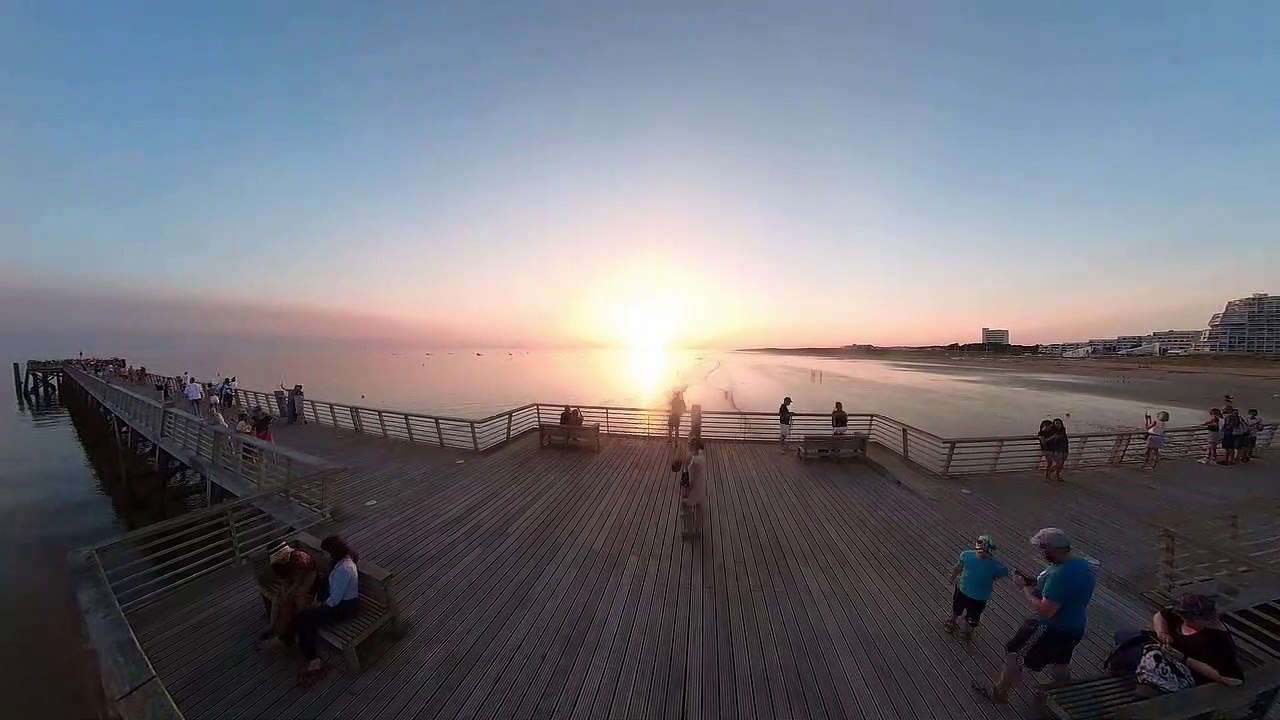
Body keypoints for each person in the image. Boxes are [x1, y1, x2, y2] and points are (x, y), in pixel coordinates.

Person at [974, 528, 1096, 704]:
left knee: (1015, 655)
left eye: (1042, 549)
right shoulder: (1083, 565)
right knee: (1061, 659)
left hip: (1051, 628)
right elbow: (1065, 591)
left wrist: (1024, 588)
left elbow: (1047, 610)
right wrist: (1034, 582)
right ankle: (1062, 685)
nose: (1041, 553)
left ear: (1051, 549)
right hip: (1076, 626)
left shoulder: (1059, 575)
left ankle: (999, 692)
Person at [287, 536, 360, 685]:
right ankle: (299, 647)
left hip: (343, 608)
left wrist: (316, 605)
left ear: (333, 552)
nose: (323, 555)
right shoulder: (337, 563)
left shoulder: (345, 569)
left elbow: (334, 600)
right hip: (336, 602)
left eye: (325, 552)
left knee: (305, 619)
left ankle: (313, 660)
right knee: (303, 617)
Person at [1147, 594, 1243, 688]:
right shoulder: (1183, 614)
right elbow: (1160, 616)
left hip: (1194, 673)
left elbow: (1231, 680)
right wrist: (1163, 633)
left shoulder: (1218, 639)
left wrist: (1184, 659)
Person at [945, 535, 1009, 647]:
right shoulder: (966, 556)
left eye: (984, 551)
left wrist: (992, 577)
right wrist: (952, 576)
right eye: (979, 549)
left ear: (989, 551)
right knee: (957, 608)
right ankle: (953, 621)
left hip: (980, 596)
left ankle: (966, 630)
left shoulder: (994, 564)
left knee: (973, 616)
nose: (981, 553)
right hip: (963, 590)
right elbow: (958, 567)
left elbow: (1003, 571)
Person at [259, 543, 318, 649]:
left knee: (289, 606)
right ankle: (273, 627)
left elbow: (299, 582)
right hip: (294, 582)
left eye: (283, 556)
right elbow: (285, 580)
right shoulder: (279, 565)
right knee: (277, 600)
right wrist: (283, 593)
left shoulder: (299, 560)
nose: (282, 560)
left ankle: (283, 637)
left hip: (308, 583)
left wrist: (288, 595)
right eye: (279, 559)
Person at [680, 439, 706, 539]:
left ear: (692, 447)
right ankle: (698, 530)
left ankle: (688, 530)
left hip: (694, 491)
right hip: (701, 490)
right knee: (699, 508)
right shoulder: (702, 457)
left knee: (685, 506)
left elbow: (690, 481)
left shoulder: (693, 464)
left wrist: (686, 494)